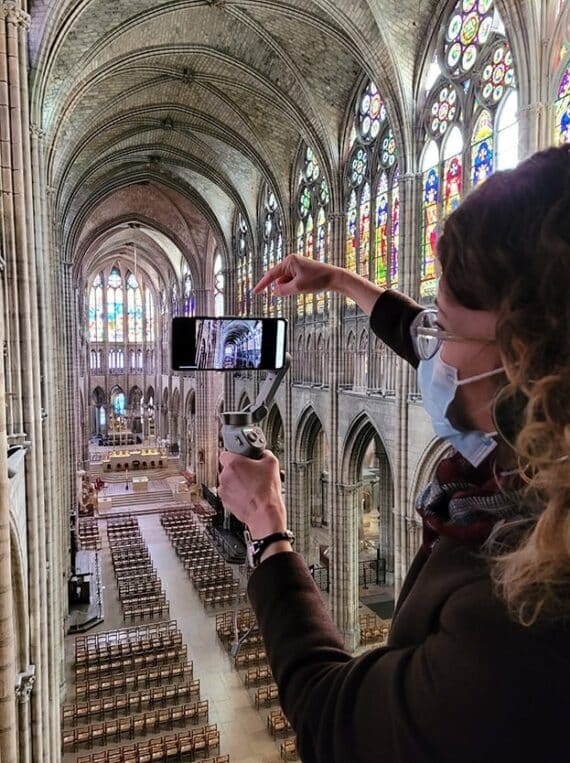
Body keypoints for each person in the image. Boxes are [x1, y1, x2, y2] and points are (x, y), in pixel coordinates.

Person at [217, 145, 570, 763]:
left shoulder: (523, 607)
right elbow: (424, 336)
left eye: (446, 329)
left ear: (526, 364)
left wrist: (269, 529)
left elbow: (331, 719)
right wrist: (342, 281)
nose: (430, 351)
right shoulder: (538, 443)